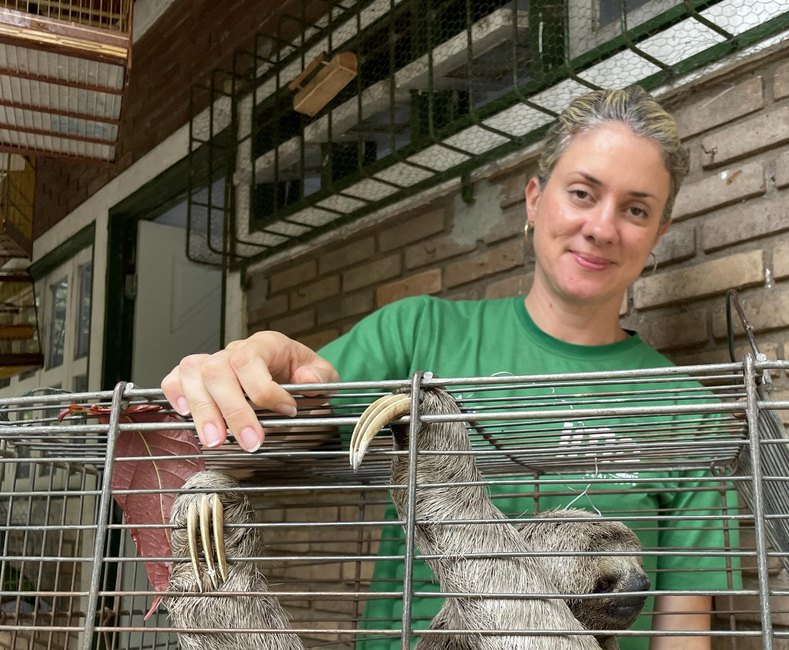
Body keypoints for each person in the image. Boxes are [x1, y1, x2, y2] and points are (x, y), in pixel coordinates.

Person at [162, 85, 730, 649]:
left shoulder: (691, 413)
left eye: (636, 209)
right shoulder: (420, 334)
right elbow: (293, 428)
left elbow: (681, 632)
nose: (603, 227)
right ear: (534, 200)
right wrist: (252, 388)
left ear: (659, 233)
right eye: (583, 193)